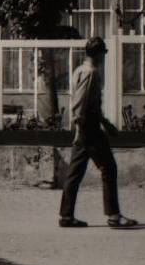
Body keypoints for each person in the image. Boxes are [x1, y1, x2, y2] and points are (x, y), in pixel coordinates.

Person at [59, 37, 137, 228]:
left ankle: (66, 216)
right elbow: (80, 102)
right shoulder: (91, 73)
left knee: (75, 172)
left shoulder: (79, 70)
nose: (104, 58)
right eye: (103, 53)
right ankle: (114, 215)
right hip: (89, 127)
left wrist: (106, 123)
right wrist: (80, 125)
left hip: (87, 124)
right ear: (99, 54)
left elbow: (81, 101)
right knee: (109, 167)